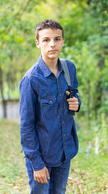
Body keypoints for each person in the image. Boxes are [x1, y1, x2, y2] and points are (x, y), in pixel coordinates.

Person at [19, 19, 81, 194]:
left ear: (62, 41)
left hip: (64, 152)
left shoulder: (69, 68)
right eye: (46, 40)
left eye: (57, 39)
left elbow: (73, 93)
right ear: (38, 43)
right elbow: (26, 126)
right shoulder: (31, 79)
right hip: (42, 157)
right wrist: (37, 164)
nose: (52, 44)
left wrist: (77, 103)